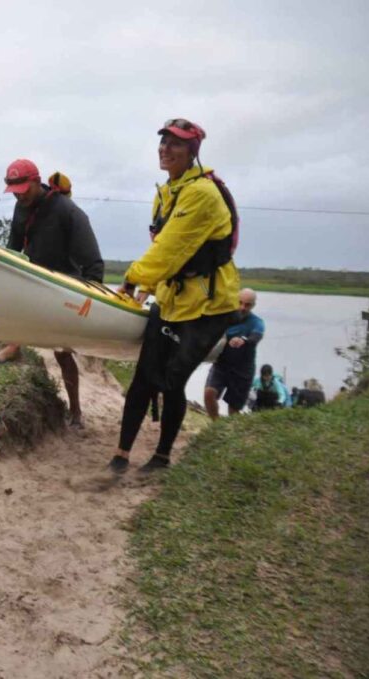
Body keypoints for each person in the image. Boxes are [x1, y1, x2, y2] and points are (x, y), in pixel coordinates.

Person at [109, 118, 241, 474]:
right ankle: (120, 455)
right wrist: (148, 289)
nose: (165, 148)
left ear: (193, 152)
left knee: (173, 380)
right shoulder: (166, 192)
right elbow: (165, 252)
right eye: (163, 142)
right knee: (143, 378)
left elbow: (171, 247)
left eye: (176, 144)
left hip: (210, 306)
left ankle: (162, 457)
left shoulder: (201, 193)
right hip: (173, 298)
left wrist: (133, 278)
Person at [0, 159, 104, 429]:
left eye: (23, 188)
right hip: (34, 279)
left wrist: (93, 296)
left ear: (36, 181)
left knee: (62, 352)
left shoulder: (66, 210)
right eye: (14, 190)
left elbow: (93, 260)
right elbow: (12, 250)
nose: (20, 194)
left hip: (64, 286)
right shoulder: (21, 207)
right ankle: (14, 345)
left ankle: (76, 412)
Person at [204, 288, 264, 418]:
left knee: (233, 410)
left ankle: (229, 432)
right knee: (209, 393)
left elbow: (256, 337)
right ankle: (216, 426)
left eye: (247, 305)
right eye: (240, 302)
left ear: (253, 305)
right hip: (221, 365)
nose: (242, 307)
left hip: (243, 370)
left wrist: (243, 340)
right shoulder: (225, 317)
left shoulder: (257, 322)